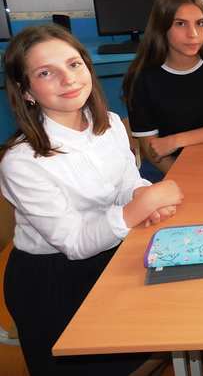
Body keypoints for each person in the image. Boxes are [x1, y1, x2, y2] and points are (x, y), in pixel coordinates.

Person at [0, 25, 183, 375]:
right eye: (45, 73)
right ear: (26, 92)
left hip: (113, 251)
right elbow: (73, 242)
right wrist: (136, 210)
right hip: (53, 280)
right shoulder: (22, 161)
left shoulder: (110, 124)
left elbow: (128, 181)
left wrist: (142, 194)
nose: (67, 79)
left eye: (74, 64)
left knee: (171, 325)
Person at [122, 0, 203, 176]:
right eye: (180, 24)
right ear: (161, 27)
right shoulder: (141, 77)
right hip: (173, 166)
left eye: (200, 23)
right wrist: (186, 180)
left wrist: (177, 140)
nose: (193, 34)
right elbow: (153, 150)